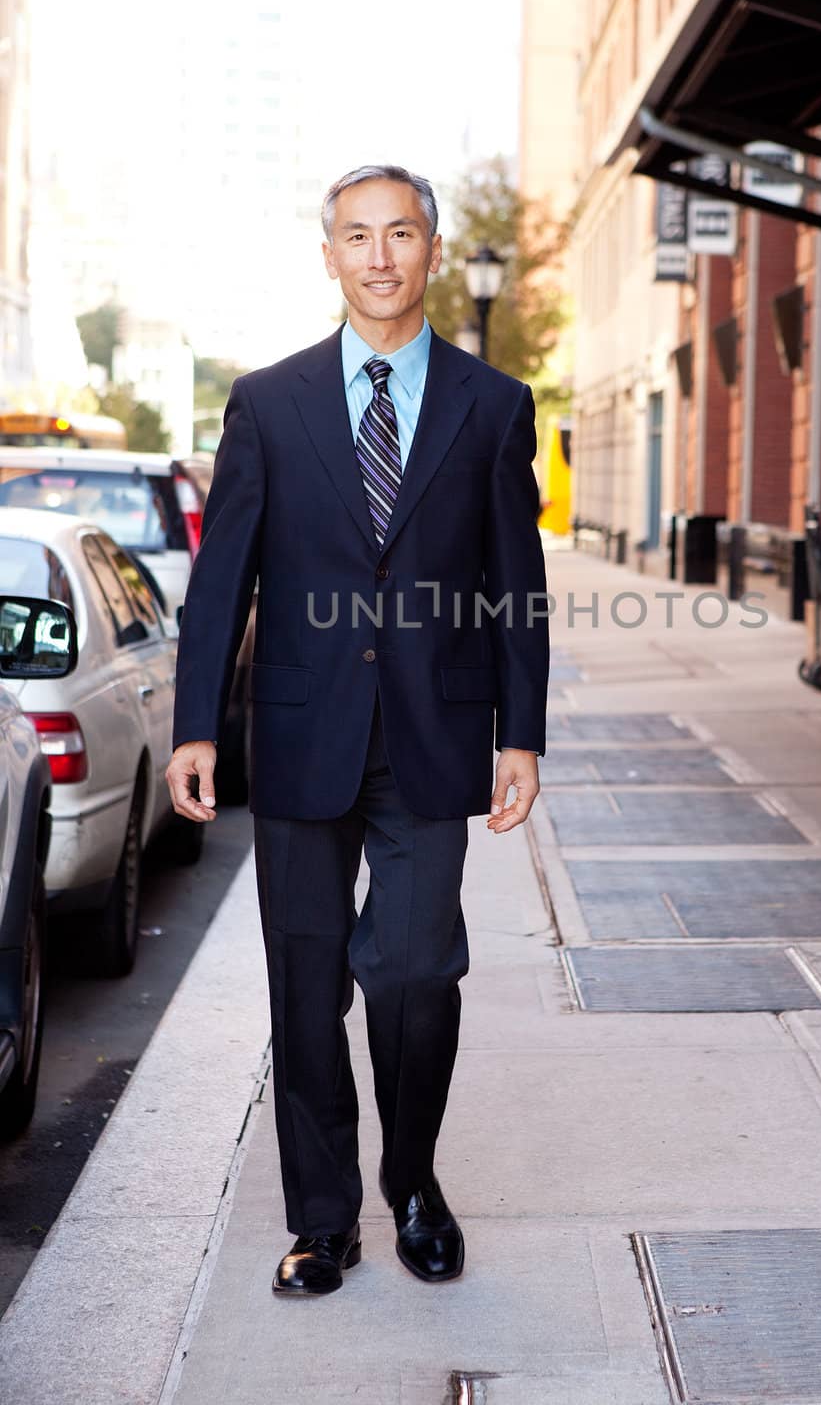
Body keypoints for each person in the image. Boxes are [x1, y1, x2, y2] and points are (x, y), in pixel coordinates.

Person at [166, 164, 549, 1296]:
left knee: (416, 973)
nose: (378, 255)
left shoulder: (491, 405)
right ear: (327, 255)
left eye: (399, 233)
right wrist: (197, 724)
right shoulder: (268, 403)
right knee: (303, 981)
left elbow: (513, 584)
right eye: (355, 235)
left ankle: (415, 1183)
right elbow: (220, 578)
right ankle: (321, 1219)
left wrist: (518, 734)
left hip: (435, 735)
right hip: (298, 730)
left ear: (432, 250)